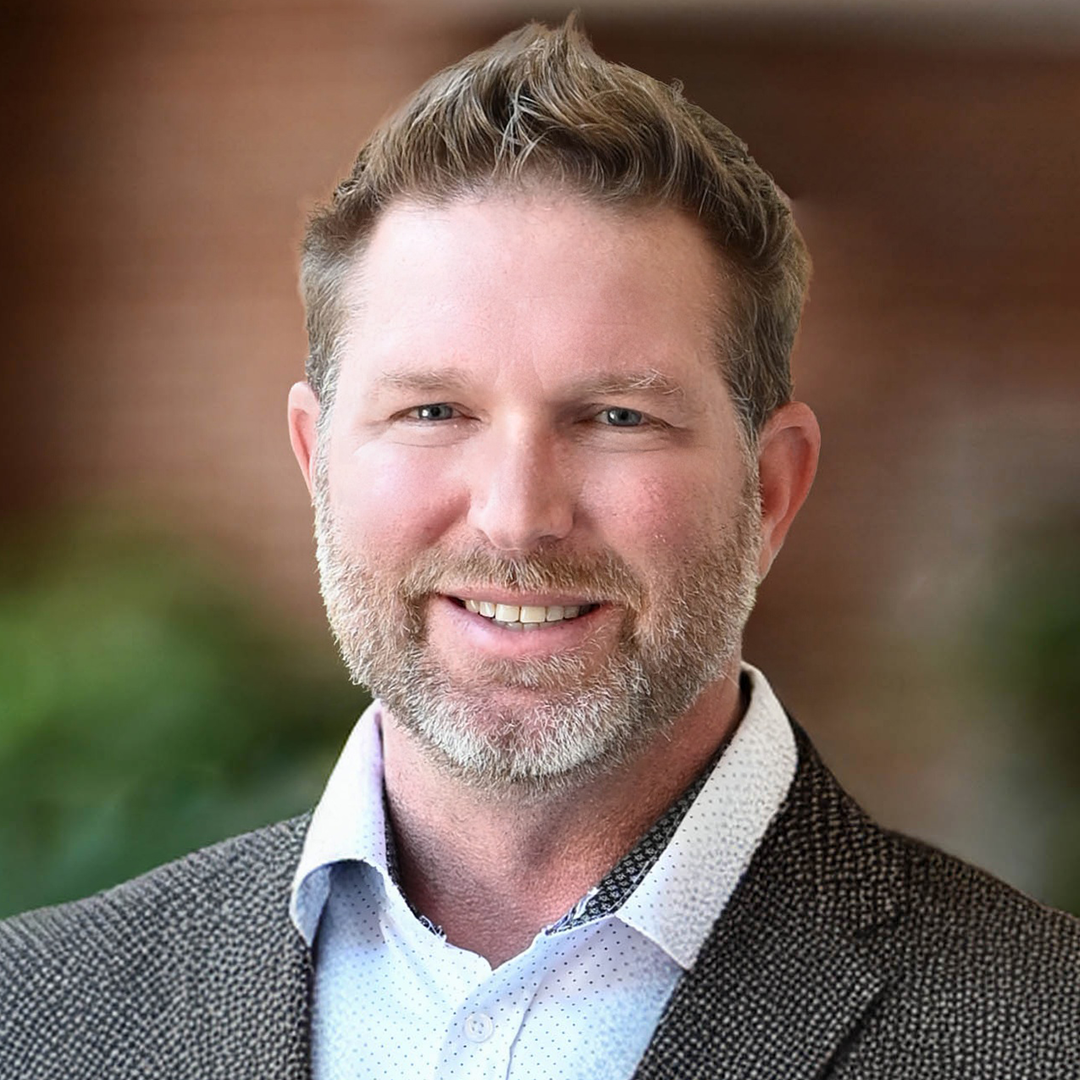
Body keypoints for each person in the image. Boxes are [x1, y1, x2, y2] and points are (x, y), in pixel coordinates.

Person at [2, 18, 1077, 1080]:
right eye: (432, 411)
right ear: (318, 462)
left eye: (615, 417)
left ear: (770, 488)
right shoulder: (38, 1015)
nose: (518, 517)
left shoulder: (1043, 1034)